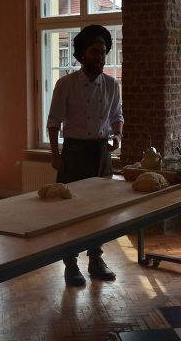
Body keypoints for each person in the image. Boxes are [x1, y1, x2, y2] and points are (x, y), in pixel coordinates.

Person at [46, 24, 124, 286]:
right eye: (95, 52)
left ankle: (96, 259)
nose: (100, 57)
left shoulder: (112, 85)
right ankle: (70, 264)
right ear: (81, 55)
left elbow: (117, 116)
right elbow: (54, 122)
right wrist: (55, 154)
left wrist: (117, 136)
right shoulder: (66, 84)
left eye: (103, 52)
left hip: (101, 152)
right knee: (70, 211)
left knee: (99, 211)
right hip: (74, 152)